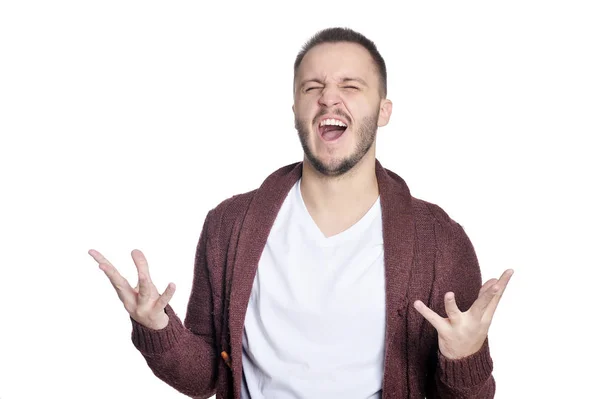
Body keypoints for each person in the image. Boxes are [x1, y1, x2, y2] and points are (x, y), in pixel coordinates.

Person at [89, 27, 513, 399]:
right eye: (312, 87)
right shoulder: (229, 226)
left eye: (351, 86)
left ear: (384, 110)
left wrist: (464, 357)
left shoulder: (440, 241)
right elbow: (205, 379)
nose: (329, 96)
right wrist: (157, 328)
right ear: (296, 110)